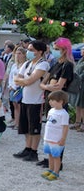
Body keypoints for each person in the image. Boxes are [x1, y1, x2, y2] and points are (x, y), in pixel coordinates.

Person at [35, 37, 75, 168]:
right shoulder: (56, 63)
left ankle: (58, 161)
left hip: (59, 100)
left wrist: (47, 86)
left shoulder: (67, 65)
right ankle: (50, 159)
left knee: (58, 130)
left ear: (64, 50)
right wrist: (47, 86)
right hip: (50, 98)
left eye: (57, 49)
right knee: (50, 129)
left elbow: (59, 85)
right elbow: (44, 82)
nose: (54, 51)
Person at [12, 40, 49, 162]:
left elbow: (29, 81)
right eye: (28, 49)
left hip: (36, 101)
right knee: (26, 127)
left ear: (40, 51)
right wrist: (24, 81)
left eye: (32, 50)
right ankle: (27, 148)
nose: (29, 52)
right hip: (25, 99)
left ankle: (34, 151)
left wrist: (23, 81)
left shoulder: (43, 64)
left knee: (34, 127)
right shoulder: (27, 63)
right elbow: (16, 78)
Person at [40, 90, 69, 181]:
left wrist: (63, 139)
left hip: (56, 139)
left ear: (60, 101)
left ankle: (56, 172)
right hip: (48, 137)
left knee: (56, 156)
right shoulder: (51, 111)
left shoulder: (64, 114)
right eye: (50, 100)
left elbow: (65, 127)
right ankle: (50, 169)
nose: (50, 102)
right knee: (50, 154)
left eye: (53, 100)